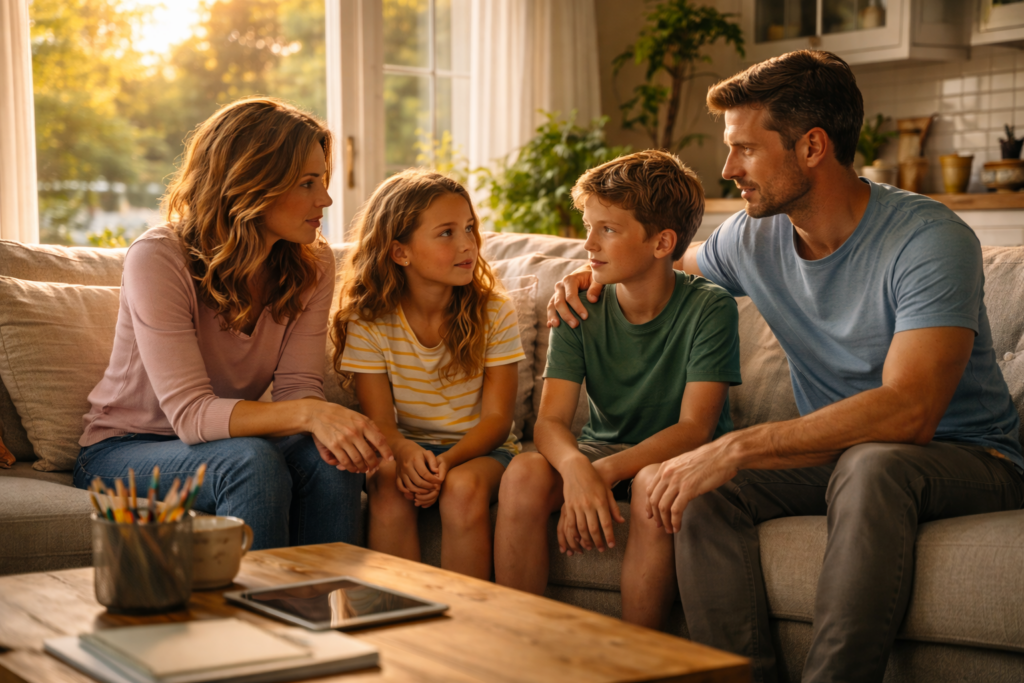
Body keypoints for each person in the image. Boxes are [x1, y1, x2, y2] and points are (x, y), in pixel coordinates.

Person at [549, 51, 1024, 682]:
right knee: (698, 489)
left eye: (745, 149)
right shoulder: (752, 237)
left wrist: (738, 447)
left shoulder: (927, 239)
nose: (728, 169)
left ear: (812, 147)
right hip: (836, 455)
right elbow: (669, 264)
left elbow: (911, 410)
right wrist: (593, 275)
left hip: (965, 457)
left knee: (871, 461)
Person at [74, 97, 391, 550]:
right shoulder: (159, 257)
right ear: (249, 182)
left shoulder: (313, 262)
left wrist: (328, 426)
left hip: (223, 443)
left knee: (331, 458)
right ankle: (250, 622)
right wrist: (313, 414)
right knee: (250, 461)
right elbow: (189, 414)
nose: (326, 198)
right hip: (122, 452)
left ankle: (318, 613)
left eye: (323, 180)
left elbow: (299, 387)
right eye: (307, 183)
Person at [494, 150, 742, 629]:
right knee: (524, 473)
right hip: (599, 448)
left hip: (674, 458)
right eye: (589, 226)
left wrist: (600, 473)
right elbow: (549, 422)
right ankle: (516, 644)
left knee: (652, 486)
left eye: (607, 229)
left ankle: (637, 658)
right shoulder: (576, 304)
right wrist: (575, 470)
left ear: (661, 242)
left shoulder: (710, 309)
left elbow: (694, 429)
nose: (588, 244)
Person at [332, 169, 525, 580]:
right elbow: (382, 422)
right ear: (400, 253)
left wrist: (447, 462)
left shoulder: (495, 312)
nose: (467, 244)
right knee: (386, 484)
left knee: (462, 489)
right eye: (446, 233)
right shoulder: (369, 321)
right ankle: (397, 622)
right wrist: (406, 455)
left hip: (482, 451)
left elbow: (497, 420)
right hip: (410, 445)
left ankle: (463, 627)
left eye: (469, 228)